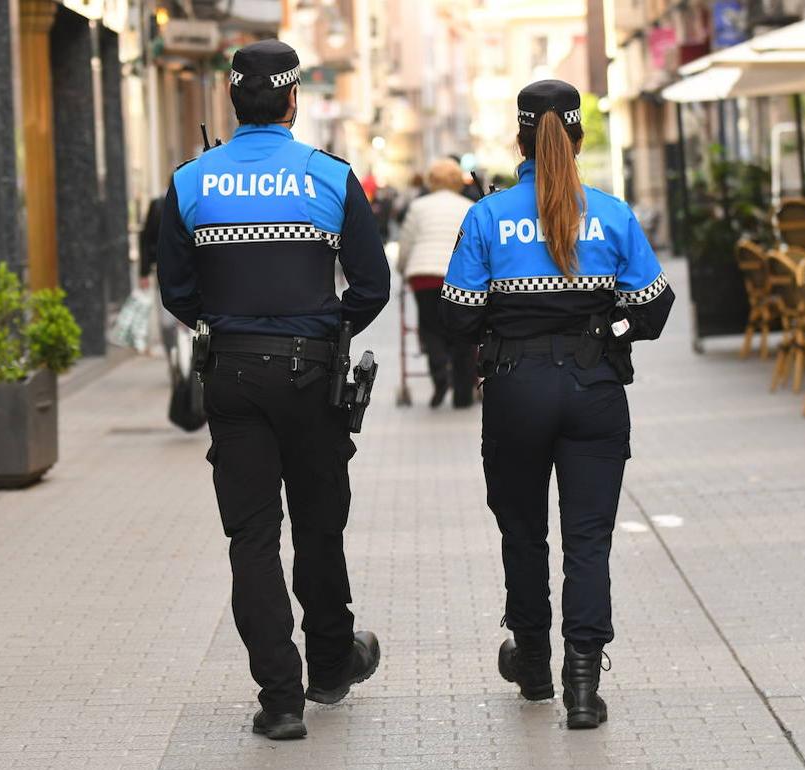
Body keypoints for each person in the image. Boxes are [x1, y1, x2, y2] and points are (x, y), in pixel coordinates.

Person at [156, 40, 390, 741]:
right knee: (320, 526)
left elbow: (177, 291)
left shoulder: (191, 181)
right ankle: (329, 665)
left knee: (251, 538)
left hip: (230, 374)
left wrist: (229, 325)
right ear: (294, 100)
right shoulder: (327, 175)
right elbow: (372, 285)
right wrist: (326, 328)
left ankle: (281, 698)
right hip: (313, 374)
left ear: (231, 100)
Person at [441, 80, 674, 730]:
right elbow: (654, 307)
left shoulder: (487, 215)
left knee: (523, 533)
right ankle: (582, 683)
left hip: (515, 389)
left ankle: (535, 664)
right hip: (594, 387)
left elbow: (456, 319)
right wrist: (610, 331)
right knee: (588, 540)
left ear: (519, 138)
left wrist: (499, 334)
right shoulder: (611, 212)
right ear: (577, 136)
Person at [397, 159, 476, 408]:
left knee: (430, 329)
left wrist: (403, 269)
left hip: (424, 275)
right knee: (464, 332)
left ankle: (440, 378)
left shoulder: (419, 206)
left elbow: (407, 242)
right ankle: (463, 394)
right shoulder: (469, 206)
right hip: (459, 276)